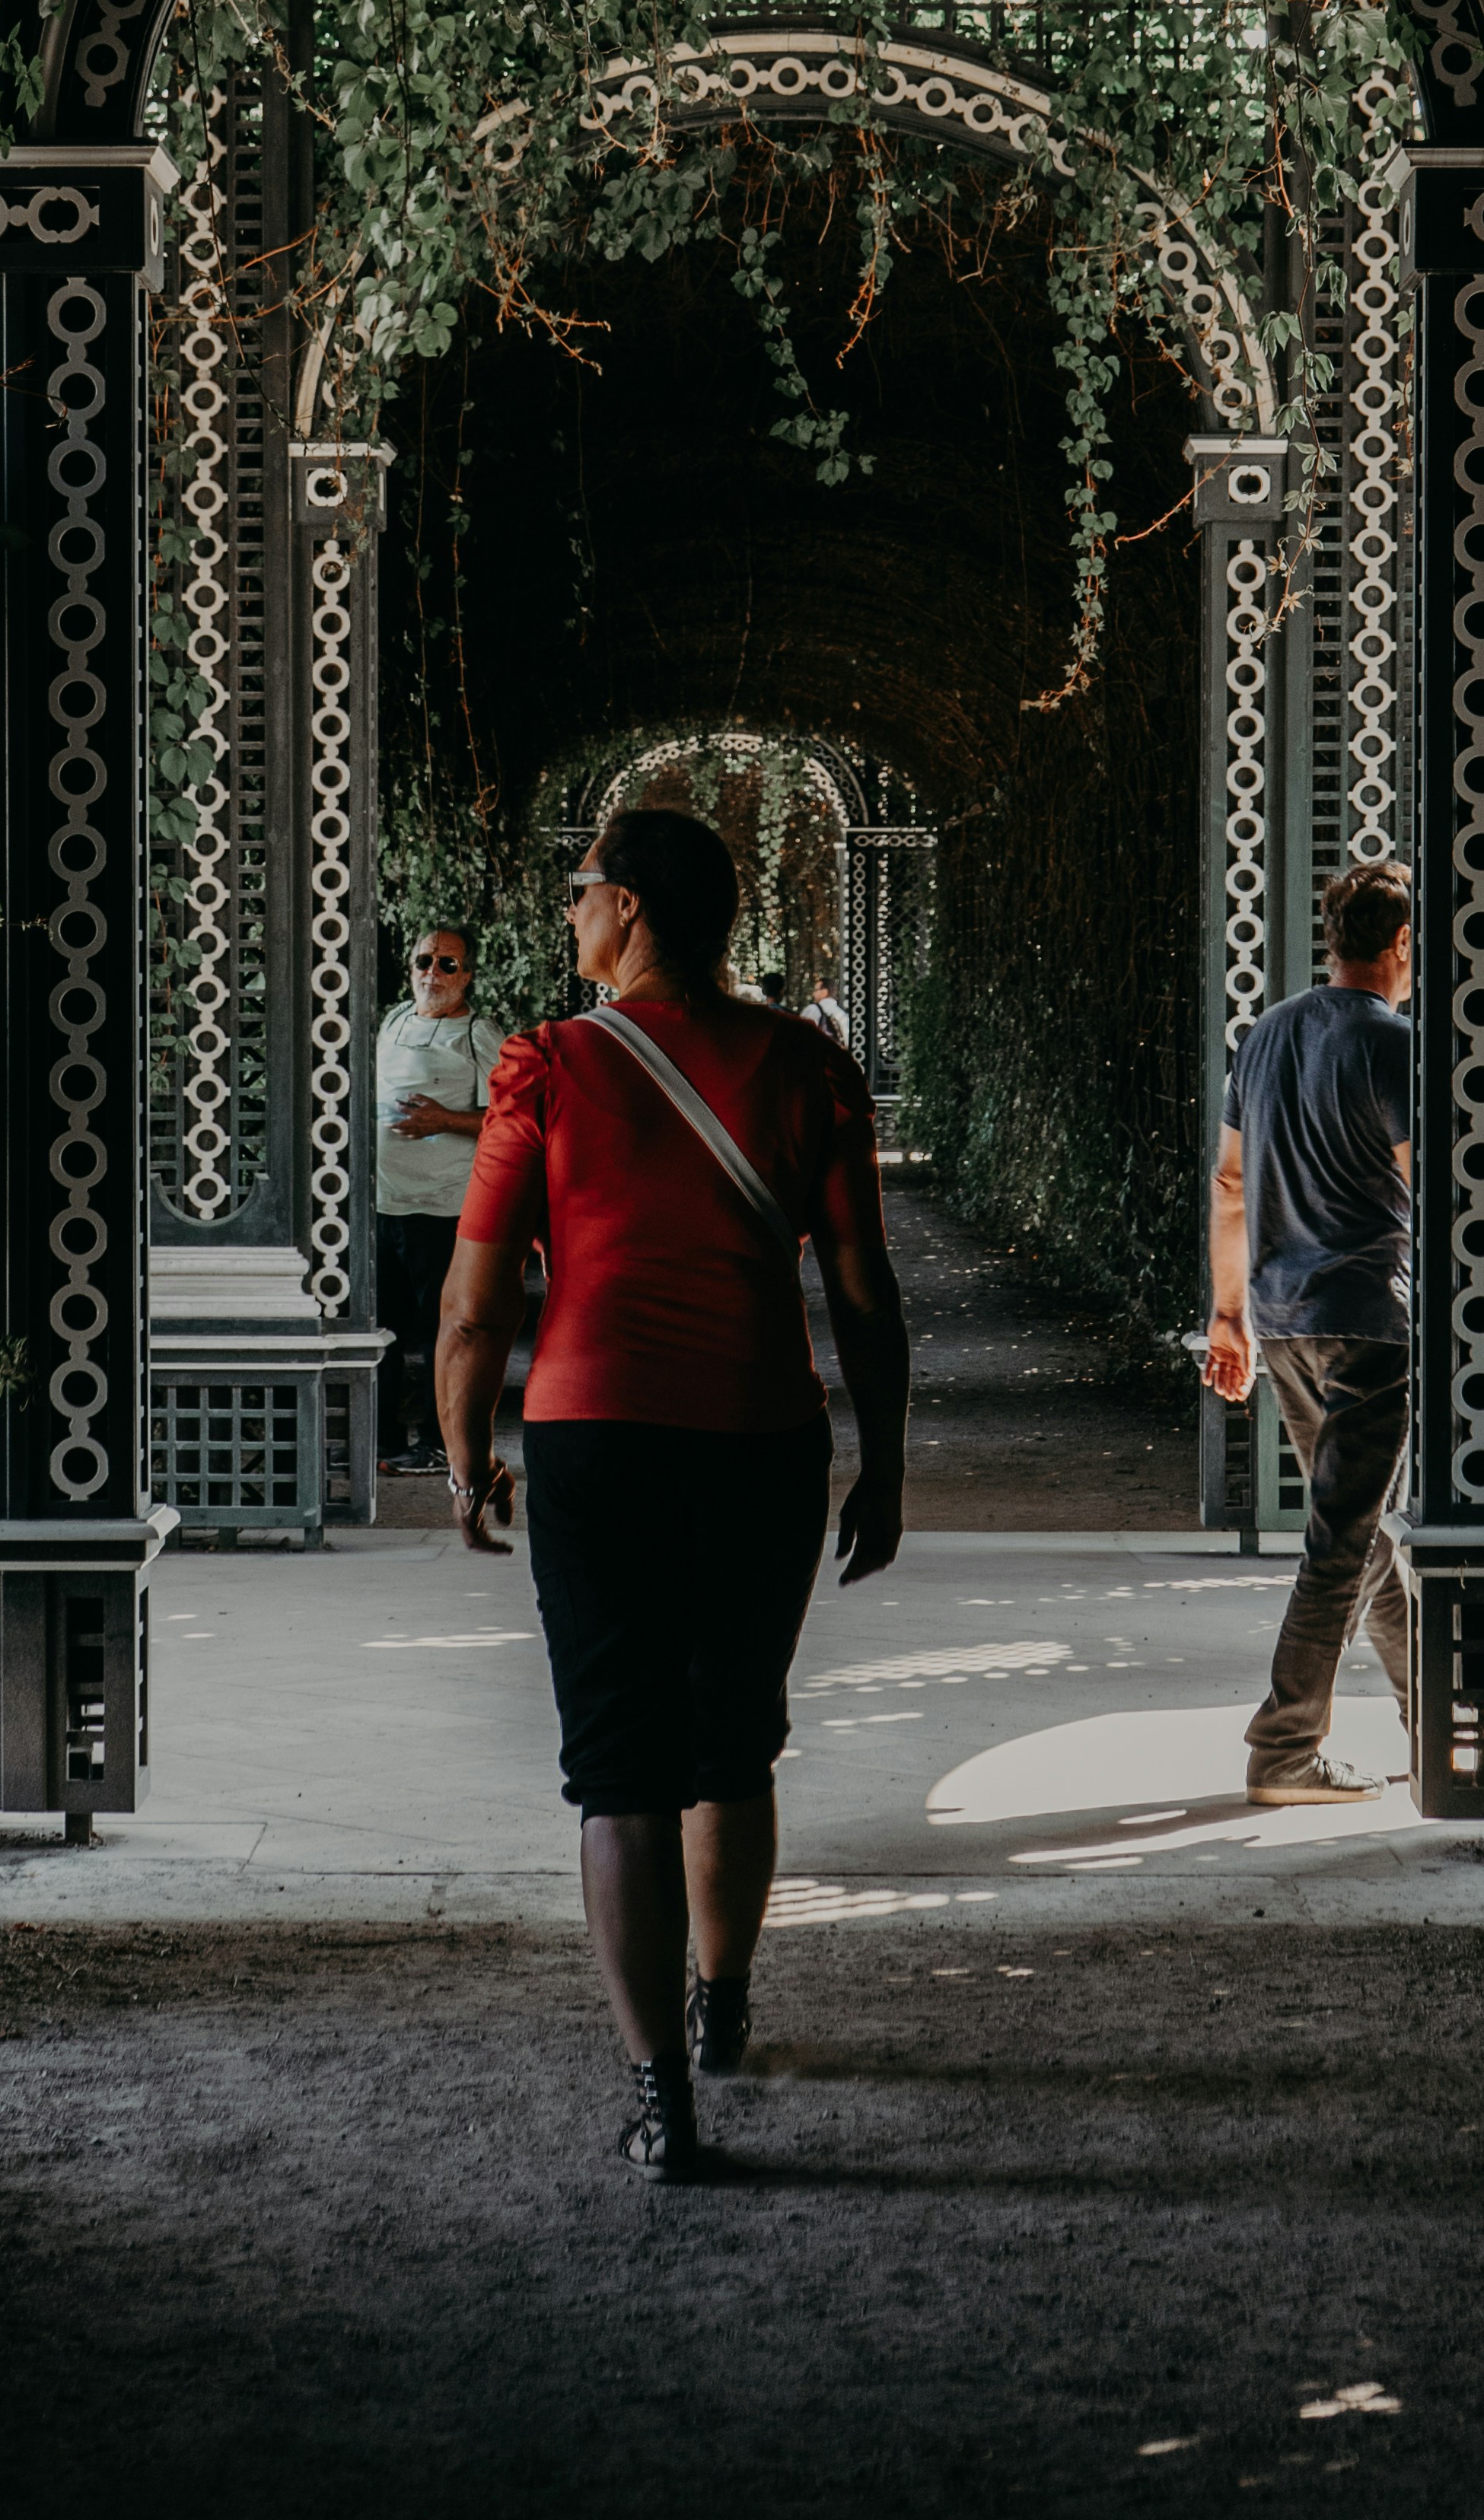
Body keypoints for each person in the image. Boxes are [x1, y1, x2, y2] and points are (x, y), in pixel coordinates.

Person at [434, 804, 909, 2181]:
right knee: (733, 1741)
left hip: (593, 1441)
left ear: (629, 905)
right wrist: (883, 1463)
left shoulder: (548, 1066)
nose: (570, 911)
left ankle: (660, 2098)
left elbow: (475, 1304)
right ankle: (725, 2004)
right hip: (763, 1440)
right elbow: (864, 1299)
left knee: (616, 1772)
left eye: (581, 888)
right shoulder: (811, 1066)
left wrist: (467, 1460)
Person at [1203, 860, 1416, 1803]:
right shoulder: (1395, 1045)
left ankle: (1440, 1715)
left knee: (1359, 1538)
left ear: (1333, 939)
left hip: (1283, 1323)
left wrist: (1225, 1317)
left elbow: (1228, 1185)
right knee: (1342, 1542)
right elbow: (1435, 1187)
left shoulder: (1263, 1037)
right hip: (1371, 1322)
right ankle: (1283, 1749)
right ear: (1399, 947)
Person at [371, 924, 505, 1471]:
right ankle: (378, 1442)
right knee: (378, 1328)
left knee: (441, 1331)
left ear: (468, 975)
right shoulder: (396, 1020)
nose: (434, 973)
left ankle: (435, 1442)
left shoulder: (479, 1033)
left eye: (449, 964)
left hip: (443, 1207)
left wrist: (443, 1119)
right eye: (425, 961)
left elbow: (511, 1117)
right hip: (383, 1204)